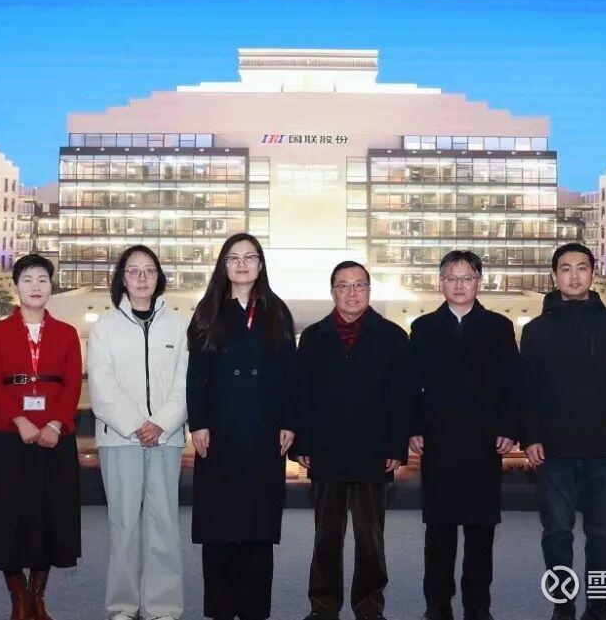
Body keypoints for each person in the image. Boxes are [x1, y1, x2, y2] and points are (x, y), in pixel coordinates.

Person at [521, 243, 606, 620]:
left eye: (581, 268)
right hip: (554, 450)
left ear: (593, 273)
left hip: (604, 448)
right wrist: (531, 436)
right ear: (554, 276)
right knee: (557, 533)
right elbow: (528, 390)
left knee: (602, 533)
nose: (574, 276)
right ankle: (563, 604)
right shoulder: (536, 331)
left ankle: (599, 605)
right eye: (565, 268)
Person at [0, 254, 83, 620]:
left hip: (54, 437)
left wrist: (55, 425)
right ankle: (18, 597)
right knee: (6, 516)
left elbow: (72, 384)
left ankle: (37, 597)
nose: (35, 286)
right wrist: (19, 420)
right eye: (28, 280)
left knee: (49, 515)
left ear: (51, 286)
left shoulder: (67, 333)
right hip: (8, 435)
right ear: (16, 286)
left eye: (43, 280)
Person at [292, 261, 412, 620]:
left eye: (359, 285)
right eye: (343, 286)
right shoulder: (313, 337)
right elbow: (302, 395)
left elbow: (401, 398)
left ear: (369, 291)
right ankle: (323, 606)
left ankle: (369, 606)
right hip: (325, 451)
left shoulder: (392, 336)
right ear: (332, 292)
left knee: (370, 538)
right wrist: (303, 445)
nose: (352, 293)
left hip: (374, 452)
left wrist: (396, 446)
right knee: (326, 537)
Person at [186, 232, 296, 620]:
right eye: (234, 258)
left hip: (264, 431)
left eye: (250, 257)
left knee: (257, 527)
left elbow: (291, 373)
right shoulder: (208, 310)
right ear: (223, 266)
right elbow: (195, 374)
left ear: (261, 265)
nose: (242, 264)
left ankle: (253, 610)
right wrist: (198, 422)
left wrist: (289, 421)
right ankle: (220, 609)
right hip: (219, 432)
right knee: (218, 527)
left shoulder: (277, 311)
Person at [408, 250, 521, 620]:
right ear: (440, 283)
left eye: (467, 278)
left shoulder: (499, 328)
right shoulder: (424, 328)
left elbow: (512, 385)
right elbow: (411, 387)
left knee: (480, 532)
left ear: (479, 282)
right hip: (438, 441)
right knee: (439, 532)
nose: (459, 285)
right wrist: (414, 428)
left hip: (484, 443)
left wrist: (509, 428)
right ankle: (437, 606)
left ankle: (477, 606)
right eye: (451, 278)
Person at [88, 244, 189, 620]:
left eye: (149, 270)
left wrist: (161, 423)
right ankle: (123, 606)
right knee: (124, 525)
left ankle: (163, 607)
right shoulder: (104, 329)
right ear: (122, 278)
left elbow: (185, 383)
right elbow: (102, 386)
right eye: (134, 270)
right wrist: (136, 425)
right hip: (120, 439)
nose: (142, 277)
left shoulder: (179, 327)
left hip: (166, 437)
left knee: (164, 522)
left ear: (159, 277)